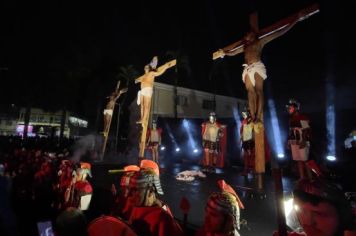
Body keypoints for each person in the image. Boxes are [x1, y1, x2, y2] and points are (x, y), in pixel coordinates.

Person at [215, 13, 301, 123]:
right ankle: (252, 115)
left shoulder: (260, 41)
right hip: (247, 69)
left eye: (248, 32)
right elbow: (234, 52)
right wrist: (224, 53)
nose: (246, 34)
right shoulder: (245, 46)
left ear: (253, 34)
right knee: (250, 93)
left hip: (257, 66)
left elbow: (279, 32)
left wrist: (295, 20)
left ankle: (259, 116)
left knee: (259, 91)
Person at [127, 169, 183, 236]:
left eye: (135, 190)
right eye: (129, 189)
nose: (129, 195)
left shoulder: (163, 220)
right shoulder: (137, 208)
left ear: (150, 191)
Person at [135, 56, 176, 125]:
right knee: (142, 105)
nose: (146, 67)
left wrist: (165, 67)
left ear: (149, 68)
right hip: (142, 90)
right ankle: (142, 118)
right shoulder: (143, 76)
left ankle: (144, 119)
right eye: (145, 67)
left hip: (148, 89)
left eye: (147, 67)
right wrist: (137, 80)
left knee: (146, 106)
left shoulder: (151, 73)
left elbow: (159, 73)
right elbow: (137, 80)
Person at [286, 99, 311, 180]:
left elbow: (306, 129)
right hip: (294, 141)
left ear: (295, 108)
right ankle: (302, 177)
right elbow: (290, 131)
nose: (289, 109)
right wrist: (288, 142)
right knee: (298, 160)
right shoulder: (291, 119)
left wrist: (303, 140)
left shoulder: (303, 117)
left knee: (305, 160)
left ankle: (311, 179)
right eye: (289, 108)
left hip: (301, 140)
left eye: (290, 107)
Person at [240, 109, 255, 176]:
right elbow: (242, 131)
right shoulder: (243, 121)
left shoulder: (252, 121)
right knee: (245, 156)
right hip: (245, 141)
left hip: (250, 141)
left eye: (245, 114)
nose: (244, 115)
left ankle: (253, 170)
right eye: (243, 114)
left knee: (251, 155)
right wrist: (241, 138)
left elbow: (254, 131)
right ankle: (246, 170)